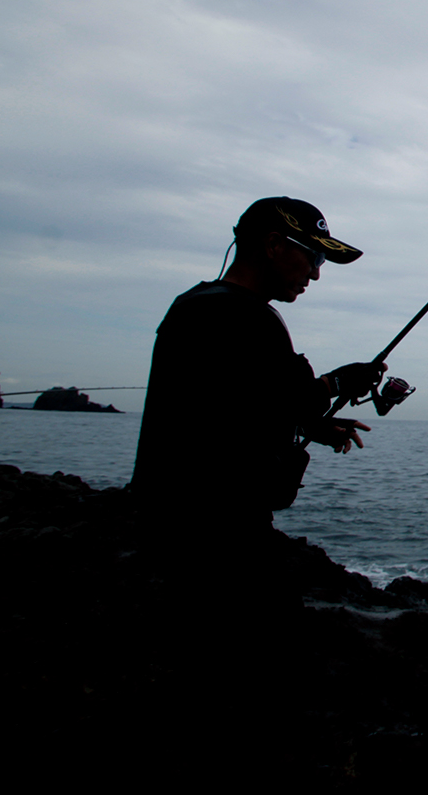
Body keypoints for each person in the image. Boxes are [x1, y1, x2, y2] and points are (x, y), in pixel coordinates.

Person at [129, 197, 384, 544]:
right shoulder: (246, 316)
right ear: (273, 245)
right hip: (213, 530)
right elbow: (292, 399)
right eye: (314, 256)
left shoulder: (193, 304)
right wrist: (337, 382)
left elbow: (227, 406)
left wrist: (312, 426)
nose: (315, 273)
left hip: (161, 519)